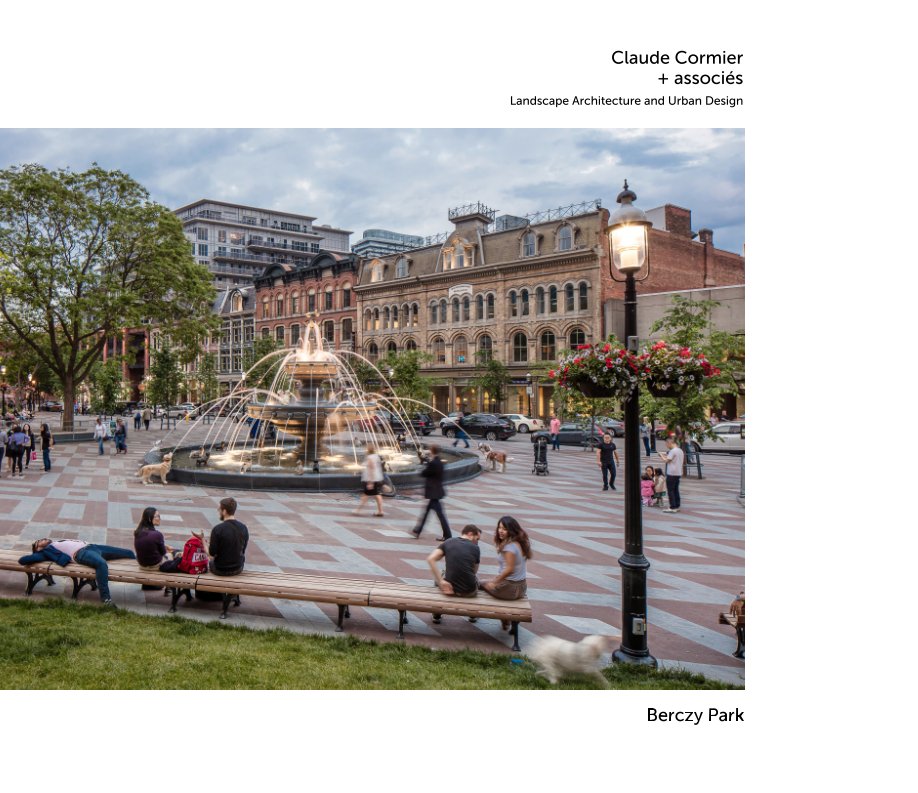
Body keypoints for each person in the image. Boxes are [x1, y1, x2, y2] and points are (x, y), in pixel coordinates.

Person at [18, 537, 136, 606]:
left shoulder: (57, 542)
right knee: (101, 564)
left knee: (129, 553)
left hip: (93, 547)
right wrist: (37, 553)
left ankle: (147, 583)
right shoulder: (46, 552)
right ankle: (106, 599)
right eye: (39, 541)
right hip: (81, 553)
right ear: (38, 549)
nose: (43, 539)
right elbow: (23, 560)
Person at [481, 516, 531, 628]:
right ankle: (506, 618)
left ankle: (503, 616)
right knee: (485, 583)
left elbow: (509, 569)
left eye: (504, 529)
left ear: (511, 530)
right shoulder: (520, 543)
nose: (500, 531)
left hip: (510, 589)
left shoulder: (509, 547)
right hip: (522, 587)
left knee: (480, 584)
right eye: (499, 528)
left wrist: (494, 582)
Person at [427, 524, 481, 623]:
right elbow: (474, 571)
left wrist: (441, 581)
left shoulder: (448, 542)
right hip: (468, 592)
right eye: (477, 539)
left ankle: (437, 614)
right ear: (470, 534)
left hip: (449, 589)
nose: (477, 542)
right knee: (477, 579)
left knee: (439, 577)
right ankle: (473, 614)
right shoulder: (476, 548)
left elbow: (431, 559)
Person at [411, 444, 451, 540]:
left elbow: (425, 473)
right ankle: (417, 530)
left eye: (430, 450)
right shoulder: (439, 461)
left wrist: (425, 464)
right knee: (428, 512)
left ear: (432, 451)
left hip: (434, 492)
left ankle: (447, 535)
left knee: (439, 515)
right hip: (436, 491)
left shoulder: (434, 463)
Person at [134, 506, 175, 590]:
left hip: (141, 564)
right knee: (170, 556)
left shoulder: (138, 532)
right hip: (153, 565)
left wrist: (164, 546)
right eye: (157, 516)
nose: (159, 518)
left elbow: (148, 545)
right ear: (150, 518)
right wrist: (168, 551)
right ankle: (169, 586)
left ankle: (147, 584)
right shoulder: (157, 534)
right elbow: (163, 553)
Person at [208, 497, 249, 575]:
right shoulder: (244, 528)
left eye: (219, 509)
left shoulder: (217, 529)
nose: (218, 510)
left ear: (224, 511)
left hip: (220, 569)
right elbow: (243, 550)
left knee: (210, 561)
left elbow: (212, 553)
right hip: (238, 568)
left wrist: (202, 540)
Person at [353, 444, 385, 517]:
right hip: (377, 478)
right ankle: (380, 511)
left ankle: (358, 510)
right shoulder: (376, 456)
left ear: (368, 449)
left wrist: (370, 482)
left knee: (366, 495)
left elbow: (372, 469)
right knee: (376, 495)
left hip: (371, 479)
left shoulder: (370, 457)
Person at [659, 437, 685, 513]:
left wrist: (661, 455)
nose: (666, 445)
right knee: (676, 490)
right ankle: (677, 505)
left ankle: (672, 507)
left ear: (670, 442)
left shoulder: (673, 451)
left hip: (672, 473)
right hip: (678, 473)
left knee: (670, 490)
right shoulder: (680, 450)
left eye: (666, 444)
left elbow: (666, 460)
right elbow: (672, 459)